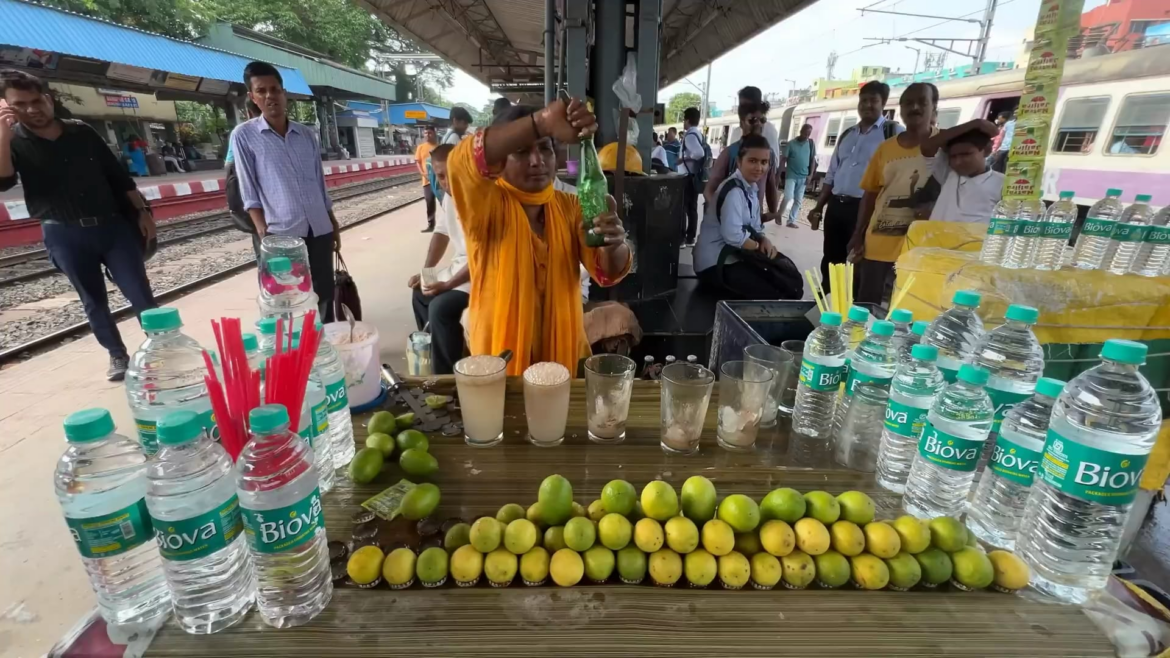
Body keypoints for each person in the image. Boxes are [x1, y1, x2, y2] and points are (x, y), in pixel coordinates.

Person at [447, 100, 632, 375]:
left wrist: (614, 243)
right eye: (521, 152)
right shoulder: (486, 207)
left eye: (545, 148)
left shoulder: (571, 207)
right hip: (500, 364)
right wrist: (542, 122)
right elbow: (460, 163)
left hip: (565, 360)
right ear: (500, 161)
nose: (536, 161)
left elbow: (607, 272)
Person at [0, 69, 157, 380]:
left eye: (36, 101)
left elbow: (117, 175)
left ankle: (162, 344)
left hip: (112, 227)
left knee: (139, 290)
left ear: (48, 98)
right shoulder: (13, 142)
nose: (32, 109)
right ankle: (117, 355)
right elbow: (3, 181)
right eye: (20, 104)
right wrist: (3, 136)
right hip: (63, 232)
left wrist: (143, 212)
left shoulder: (81, 131)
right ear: (7, 106)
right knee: (93, 299)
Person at [231, 61, 340, 322]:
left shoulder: (305, 135)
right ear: (252, 97)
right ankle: (297, 354)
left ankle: (323, 346)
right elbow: (249, 190)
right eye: (262, 91)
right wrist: (263, 235)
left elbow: (319, 182)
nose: (270, 96)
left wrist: (332, 222)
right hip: (280, 235)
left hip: (318, 228)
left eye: (275, 89)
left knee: (323, 293)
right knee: (287, 301)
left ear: (284, 92)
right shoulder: (244, 136)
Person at [847, 82, 938, 304]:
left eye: (922, 102)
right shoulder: (885, 148)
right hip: (878, 244)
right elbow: (870, 194)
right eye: (908, 103)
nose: (914, 107)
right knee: (867, 307)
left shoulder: (945, 145)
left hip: (921, 248)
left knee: (907, 309)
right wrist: (858, 234)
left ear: (934, 108)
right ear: (900, 109)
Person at [808, 80, 901, 294]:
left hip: (866, 207)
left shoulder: (892, 132)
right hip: (837, 205)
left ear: (883, 103)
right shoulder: (847, 134)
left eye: (873, 101)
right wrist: (818, 207)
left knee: (858, 258)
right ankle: (827, 298)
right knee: (831, 256)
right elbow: (832, 173)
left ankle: (849, 307)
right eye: (863, 101)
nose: (867, 105)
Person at [694, 133, 801, 300]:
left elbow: (756, 227)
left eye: (764, 162)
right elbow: (733, 236)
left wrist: (764, 240)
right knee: (774, 289)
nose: (759, 167)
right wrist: (759, 247)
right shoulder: (733, 192)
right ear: (739, 162)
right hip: (714, 263)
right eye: (753, 161)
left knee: (788, 279)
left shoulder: (750, 189)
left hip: (734, 255)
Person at [407, 144, 469, 374]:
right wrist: (425, 271)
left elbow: (484, 258)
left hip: (482, 276)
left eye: (449, 175)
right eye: (440, 176)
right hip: (459, 270)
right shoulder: (449, 198)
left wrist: (447, 285)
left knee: (441, 308)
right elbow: (441, 233)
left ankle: (446, 379)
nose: (445, 183)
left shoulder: (482, 199)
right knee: (419, 292)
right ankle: (435, 353)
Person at [913, 119, 1004, 223]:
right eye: (953, 156)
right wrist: (975, 124)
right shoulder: (948, 173)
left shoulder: (1002, 183)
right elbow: (927, 146)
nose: (958, 162)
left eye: (966, 154)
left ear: (987, 150)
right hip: (936, 238)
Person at [704, 101, 780, 223]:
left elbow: (770, 185)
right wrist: (725, 214)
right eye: (753, 120)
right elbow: (709, 190)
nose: (758, 124)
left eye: (762, 120)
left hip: (753, 220)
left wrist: (773, 212)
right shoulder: (730, 153)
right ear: (742, 123)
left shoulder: (768, 153)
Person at [677, 107, 708, 247]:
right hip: (694, 175)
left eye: (684, 119)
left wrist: (684, 158)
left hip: (686, 176)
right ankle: (691, 238)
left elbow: (699, 153)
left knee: (682, 208)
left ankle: (682, 239)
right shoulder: (698, 134)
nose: (683, 122)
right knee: (692, 208)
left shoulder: (690, 135)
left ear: (688, 120)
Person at [779, 123, 817, 228]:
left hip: (804, 176)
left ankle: (791, 221)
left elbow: (813, 160)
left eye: (808, 134)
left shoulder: (810, 144)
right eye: (805, 134)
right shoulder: (791, 144)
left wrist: (810, 175)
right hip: (791, 175)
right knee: (788, 197)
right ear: (800, 131)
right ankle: (779, 214)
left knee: (798, 200)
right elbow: (783, 160)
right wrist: (778, 174)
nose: (806, 136)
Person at [728, 86, 781, 156]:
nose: (744, 109)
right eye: (742, 106)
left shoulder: (769, 130)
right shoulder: (736, 132)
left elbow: (775, 162)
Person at [415, 126, 439, 232]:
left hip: (439, 180)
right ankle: (431, 224)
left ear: (434, 133)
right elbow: (418, 162)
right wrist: (423, 174)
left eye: (429, 133)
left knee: (445, 202)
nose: (427, 135)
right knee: (429, 201)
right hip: (427, 180)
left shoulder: (439, 147)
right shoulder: (421, 147)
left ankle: (448, 224)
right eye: (425, 133)